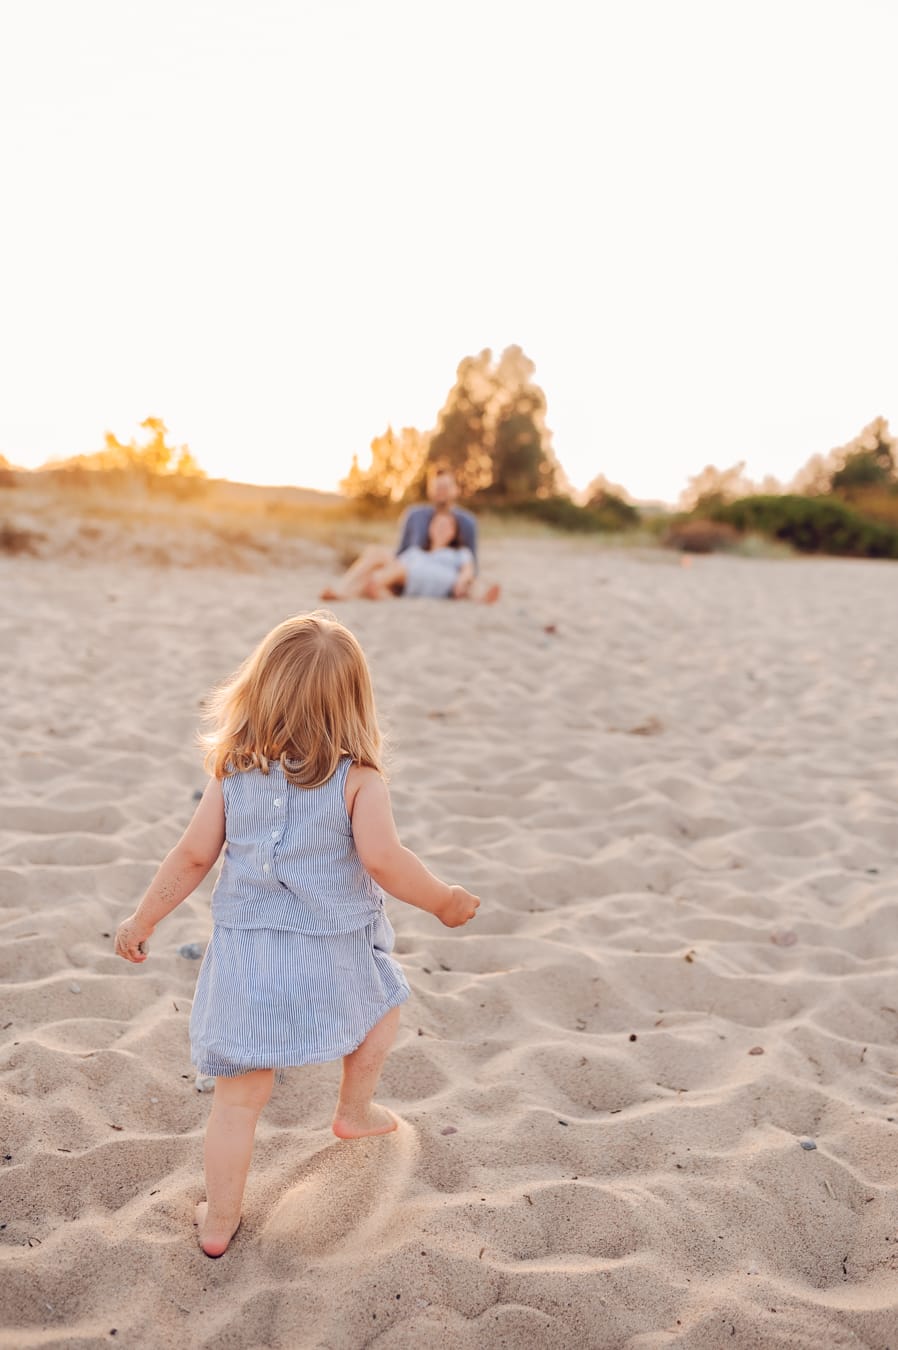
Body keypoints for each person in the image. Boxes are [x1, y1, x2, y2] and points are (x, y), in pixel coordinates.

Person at [113, 612, 480, 1258]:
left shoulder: (232, 773)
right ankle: (355, 1109)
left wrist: (144, 919)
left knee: (237, 1099)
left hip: (247, 958)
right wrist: (443, 900)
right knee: (384, 1005)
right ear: (354, 703)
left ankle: (220, 1220)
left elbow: (193, 857)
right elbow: (385, 861)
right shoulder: (360, 781)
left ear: (259, 690)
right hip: (330, 952)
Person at [320, 465, 491, 602]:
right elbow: (401, 551)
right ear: (430, 490)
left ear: (455, 490)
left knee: (470, 582)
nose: (442, 492)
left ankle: (370, 586)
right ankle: (342, 591)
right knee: (375, 553)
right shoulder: (415, 514)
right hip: (410, 562)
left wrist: (463, 581)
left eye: (446, 487)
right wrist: (392, 566)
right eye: (437, 487)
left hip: (437, 572)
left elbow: (470, 564)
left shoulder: (467, 521)